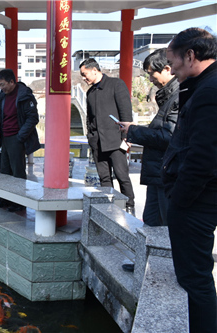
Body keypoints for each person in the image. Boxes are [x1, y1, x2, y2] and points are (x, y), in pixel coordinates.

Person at [161, 28, 217, 333]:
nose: (171, 70)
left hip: (198, 201)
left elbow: (203, 156)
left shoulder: (209, 91)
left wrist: (180, 199)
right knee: (194, 276)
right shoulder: (201, 86)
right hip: (197, 198)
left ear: (191, 56)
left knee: (196, 279)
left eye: (173, 63)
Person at [118, 48, 179, 227]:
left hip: (167, 173)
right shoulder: (168, 96)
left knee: (166, 228)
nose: (151, 79)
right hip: (158, 172)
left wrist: (133, 131)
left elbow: (169, 137)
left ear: (167, 69)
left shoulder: (178, 97)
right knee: (151, 225)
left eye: (152, 74)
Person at [79, 58, 135, 214]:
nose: (83, 78)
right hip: (97, 142)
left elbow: (125, 111)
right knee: (104, 177)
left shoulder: (116, 85)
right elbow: (89, 118)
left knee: (122, 176)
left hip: (115, 140)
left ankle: (129, 205)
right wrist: (90, 137)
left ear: (94, 70)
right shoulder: (90, 92)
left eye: (85, 74)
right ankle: (108, 207)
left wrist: (127, 137)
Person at [0, 69, 40, 212]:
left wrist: (20, 137)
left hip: (17, 137)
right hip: (4, 137)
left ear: (12, 82)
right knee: (5, 169)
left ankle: (19, 201)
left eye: (3, 84)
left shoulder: (25, 95)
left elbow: (33, 118)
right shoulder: (2, 96)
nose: (1, 88)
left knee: (18, 171)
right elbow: (1, 118)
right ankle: (6, 198)